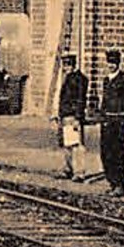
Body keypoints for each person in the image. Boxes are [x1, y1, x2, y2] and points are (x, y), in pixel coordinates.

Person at [96, 49, 124, 195]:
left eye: (114, 63)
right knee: (105, 152)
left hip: (119, 120)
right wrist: (102, 116)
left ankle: (121, 184)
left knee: (117, 152)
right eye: (109, 62)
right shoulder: (106, 80)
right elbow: (104, 101)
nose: (111, 65)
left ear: (118, 63)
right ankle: (112, 182)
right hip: (107, 120)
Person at [50, 52, 88, 180]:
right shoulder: (66, 78)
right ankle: (68, 169)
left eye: (68, 65)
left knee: (76, 144)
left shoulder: (79, 79)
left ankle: (79, 172)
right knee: (66, 144)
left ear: (73, 65)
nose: (66, 68)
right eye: (65, 65)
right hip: (65, 115)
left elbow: (81, 100)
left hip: (72, 116)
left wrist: (78, 117)